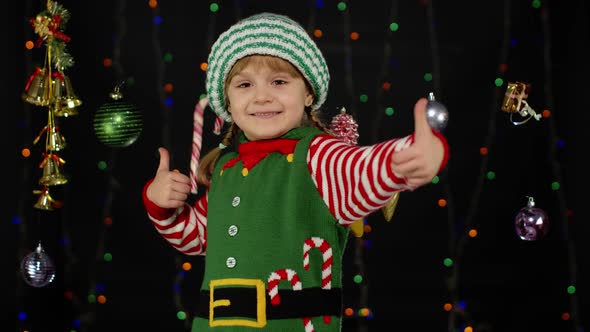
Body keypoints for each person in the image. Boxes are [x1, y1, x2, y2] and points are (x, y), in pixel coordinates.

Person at [142, 12, 449, 331]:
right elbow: (200, 238)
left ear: (308, 93)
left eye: (279, 81)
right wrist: (162, 206)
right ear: (227, 102)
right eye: (245, 84)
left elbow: (361, 168)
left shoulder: (319, 155)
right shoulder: (225, 167)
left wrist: (409, 156)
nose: (262, 96)